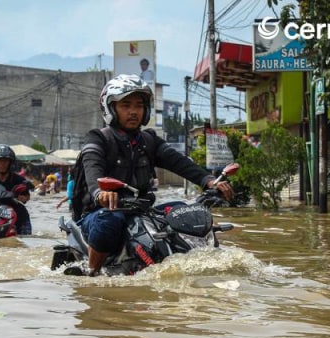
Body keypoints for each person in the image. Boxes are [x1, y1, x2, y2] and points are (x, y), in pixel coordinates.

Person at [79, 74, 234, 276]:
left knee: (184, 211)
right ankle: (92, 273)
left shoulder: (149, 140)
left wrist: (209, 181)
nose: (133, 111)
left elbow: (180, 163)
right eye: (126, 105)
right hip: (100, 212)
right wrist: (100, 192)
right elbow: (92, 167)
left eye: (139, 105)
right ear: (110, 108)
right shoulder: (98, 138)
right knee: (109, 220)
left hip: (142, 210)